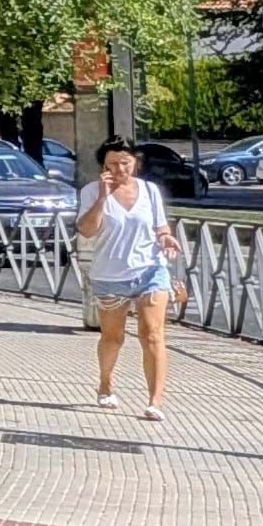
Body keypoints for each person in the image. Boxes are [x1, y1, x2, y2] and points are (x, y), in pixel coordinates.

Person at [76, 141, 179, 421]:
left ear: (135, 162)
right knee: (113, 338)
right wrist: (102, 197)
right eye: (113, 164)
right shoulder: (91, 192)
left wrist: (166, 238)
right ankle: (105, 383)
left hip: (150, 270)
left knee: (153, 334)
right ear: (103, 167)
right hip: (110, 276)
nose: (120, 168)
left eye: (126, 162)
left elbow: (160, 226)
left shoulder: (149, 191)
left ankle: (155, 401)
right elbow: (86, 230)